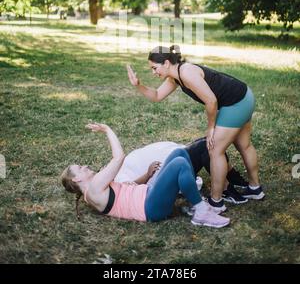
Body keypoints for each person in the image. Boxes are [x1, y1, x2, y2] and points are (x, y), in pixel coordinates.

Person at [127, 45, 265, 214]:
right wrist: (138, 85)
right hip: (244, 96)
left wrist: (211, 128)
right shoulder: (175, 77)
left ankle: (216, 202)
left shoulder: (186, 72)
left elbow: (211, 101)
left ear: (167, 63)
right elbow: (157, 96)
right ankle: (255, 189)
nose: (154, 72)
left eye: (155, 68)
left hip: (236, 103)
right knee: (244, 145)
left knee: (214, 150)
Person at [61, 122, 230, 228]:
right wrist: (107, 130)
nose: (85, 166)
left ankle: (194, 201)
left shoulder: (95, 190)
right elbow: (119, 157)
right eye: (80, 168)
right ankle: (201, 212)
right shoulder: (93, 189)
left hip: (148, 193)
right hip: (150, 208)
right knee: (179, 164)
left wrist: (147, 175)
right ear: (76, 179)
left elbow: (125, 190)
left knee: (179, 153)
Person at [115, 138, 249, 205]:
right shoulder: (117, 179)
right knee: (206, 146)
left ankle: (235, 179)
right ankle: (227, 190)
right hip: (172, 168)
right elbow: (129, 189)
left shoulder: (117, 166)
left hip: (175, 155)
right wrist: (147, 174)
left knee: (212, 140)